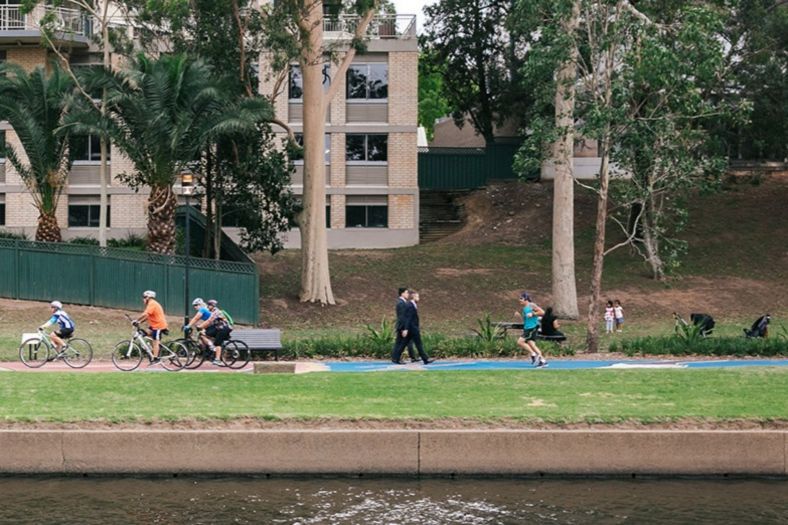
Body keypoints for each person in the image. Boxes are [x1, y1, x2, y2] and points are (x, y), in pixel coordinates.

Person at [134, 290, 168, 364]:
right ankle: (154, 349)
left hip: (158, 326)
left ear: (148, 297)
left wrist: (136, 320)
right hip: (153, 326)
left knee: (155, 341)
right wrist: (139, 322)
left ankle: (156, 359)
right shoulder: (151, 304)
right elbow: (148, 316)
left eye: (144, 297)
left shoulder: (152, 303)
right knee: (145, 333)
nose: (143, 299)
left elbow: (145, 314)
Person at [515, 292, 546, 367]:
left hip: (532, 328)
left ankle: (533, 354)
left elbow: (542, 312)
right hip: (527, 327)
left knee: (520, 342)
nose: (520, 300)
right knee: (532, 345)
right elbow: (525, 319)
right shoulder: (524, 308)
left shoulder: (531, 305)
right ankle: (543, 361)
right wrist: (519, 316)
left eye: (521, 298)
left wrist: (533, 314)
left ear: (526, 299)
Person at [404, 290, 435, 365]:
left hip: (411, 328)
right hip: (412, 328)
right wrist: (406, 328)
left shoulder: (412, 304)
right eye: (417, 296)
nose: (419, 298)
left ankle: (413, 358)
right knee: (418, 343)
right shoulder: (410, 305)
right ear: (413, 296)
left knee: (409, 343)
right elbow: (408, 318)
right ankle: (425, 359)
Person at [200, 299, 232, 366]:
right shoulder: (211, 312)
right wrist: (202, 328)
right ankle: (212, 347)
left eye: (208, 305)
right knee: (203, 334)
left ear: (212, 306)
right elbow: (209, 323)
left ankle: (217, 359)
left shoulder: (216, 312)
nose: (207, 307)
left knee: (218, 343)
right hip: (218, 328)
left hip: (223, 328)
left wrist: (200, 326)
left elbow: (209, 321)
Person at [391, 287, 415, 364]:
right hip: (402, 327)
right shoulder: (401, 303)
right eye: (407, 293)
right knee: (400, 343)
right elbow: (402, 317)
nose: (408, 294)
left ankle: (395, 358)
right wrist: (404, 329)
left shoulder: (402, 302)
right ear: (402, 293)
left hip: (402, 326)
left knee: (399, 343)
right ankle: (396, 359)